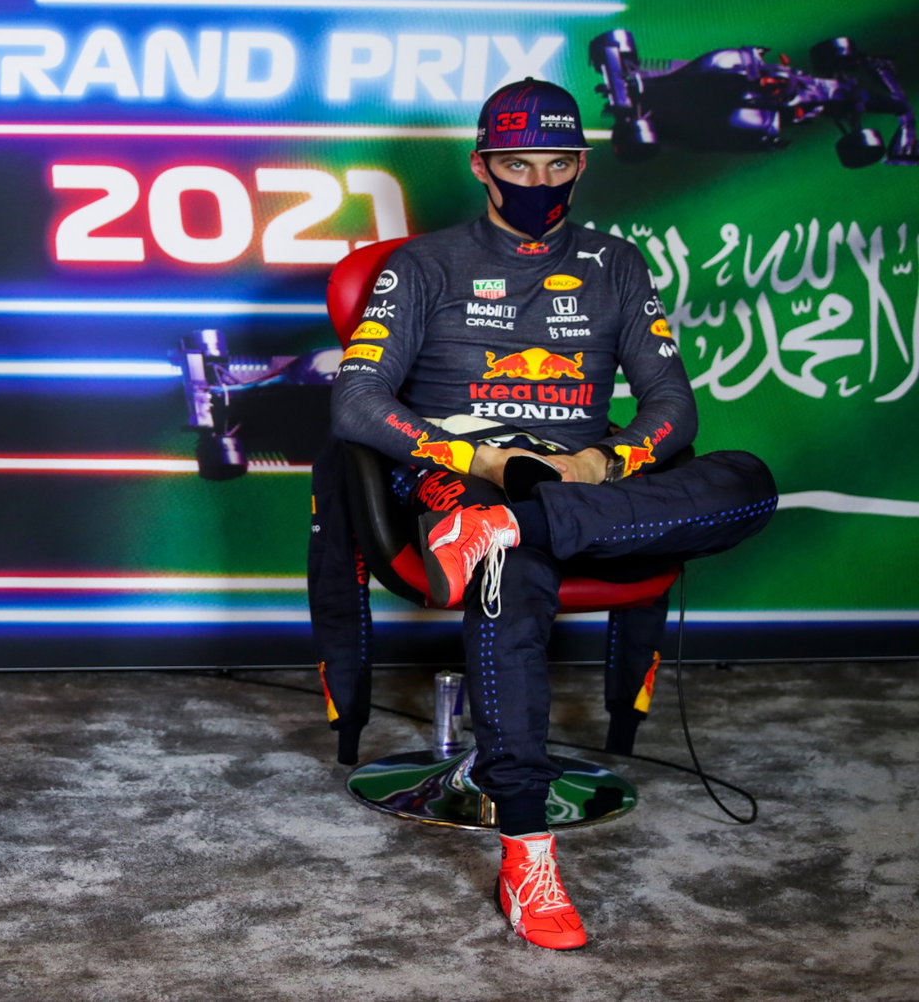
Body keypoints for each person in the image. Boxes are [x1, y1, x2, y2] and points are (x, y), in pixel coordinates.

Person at [330, 79, 776, 949]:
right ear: (482, 167)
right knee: (512, 567)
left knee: (749, 481)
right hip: (464, 482)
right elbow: (355, 403)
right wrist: (484, 462)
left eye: (557, 162)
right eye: (516, 163)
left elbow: (672, 405)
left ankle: (521, 526)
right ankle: (529, 849)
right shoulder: (421, 267)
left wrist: (607, 459)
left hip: (583, 485)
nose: (538, 179)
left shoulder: (616, 265)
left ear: (581, 163)